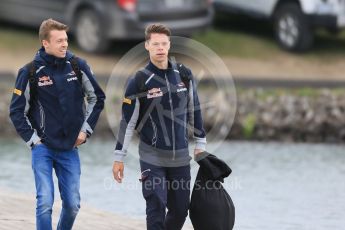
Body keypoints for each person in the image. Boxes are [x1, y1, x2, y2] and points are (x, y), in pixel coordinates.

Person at [9, 18, 105, 230]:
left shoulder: (78, 66)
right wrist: (34, 141)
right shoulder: (29, 72)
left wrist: (85, 131)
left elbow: (97, 98)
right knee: (44, 202)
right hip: (42, 148)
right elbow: (16, 112)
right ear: (46, 43)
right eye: (59, 40)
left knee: (72, 205)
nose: (64, 44)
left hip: (70, 148)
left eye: (66, 40)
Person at [112, 23, 207, 230]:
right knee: (156, 203)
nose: (160, 48)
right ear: (147, 46)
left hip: (180, 155)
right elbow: (127, 123)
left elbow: (195, 110)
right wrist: (119, 157)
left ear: (170, 44)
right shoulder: (138, 81)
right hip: (151, 156)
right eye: (155, 44)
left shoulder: (184, 74)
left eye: (164, 43)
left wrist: (201, 142)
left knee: (181, 209)